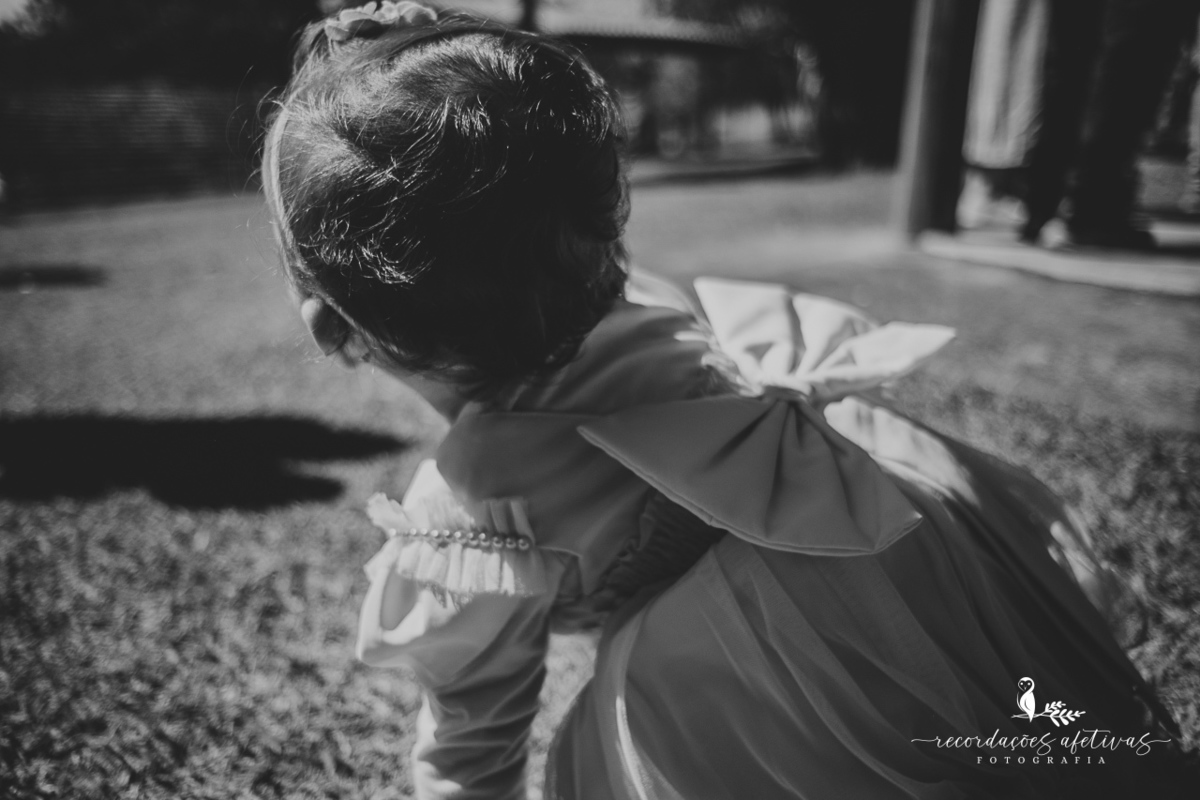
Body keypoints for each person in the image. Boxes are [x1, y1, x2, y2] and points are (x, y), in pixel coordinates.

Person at [262, 4, 1194, 798]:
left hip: (767, 691)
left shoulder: (471, 507)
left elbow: (473, 735)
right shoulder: (657, 302)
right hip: (901, 551)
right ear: (600, 225)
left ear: (328, 326)